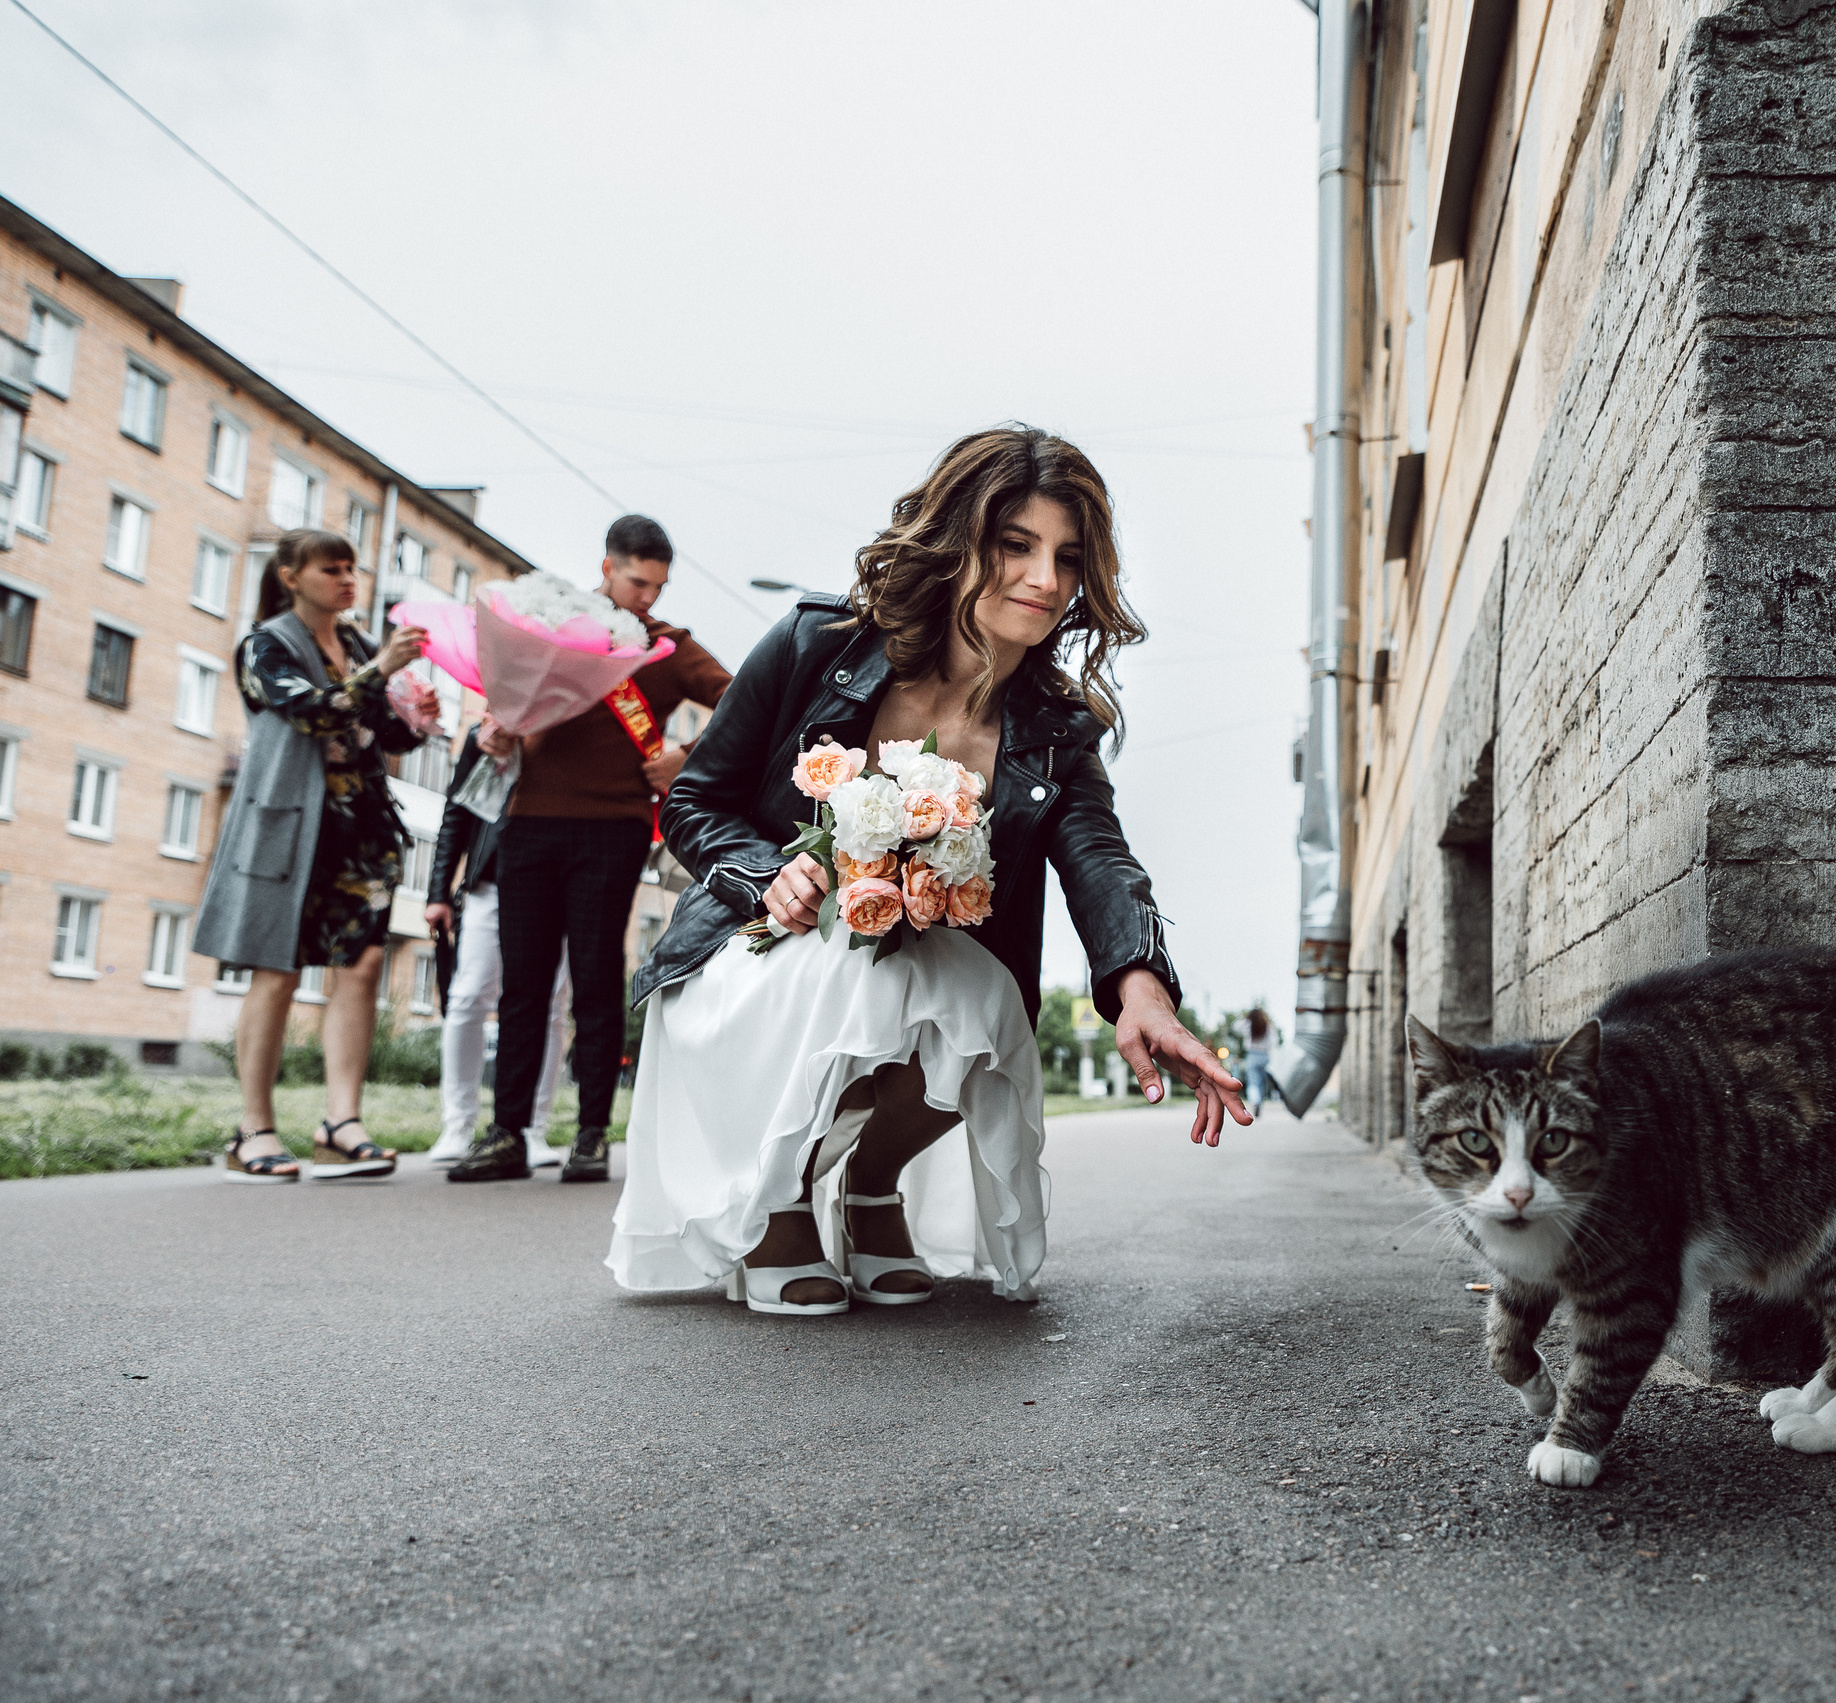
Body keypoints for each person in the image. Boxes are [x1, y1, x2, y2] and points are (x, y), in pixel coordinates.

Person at [607, 425, 1247, 1315]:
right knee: (853, 972)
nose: (1044, 581)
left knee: (987, 1004)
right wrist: (768, 875)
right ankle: (778, 1204)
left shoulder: (1056, 728)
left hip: (914, 975)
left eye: (1067, 558)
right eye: (1015, 546)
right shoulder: (813, 644)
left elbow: (1100, 856)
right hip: (753, 964)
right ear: (957, 543)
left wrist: (1142, 990)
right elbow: (693, 802)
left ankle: (870, 1186)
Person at [450, 515, 732, 1185]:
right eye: (637, 581)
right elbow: (509, 707)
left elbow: (745, 697)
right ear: (606, 567)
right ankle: (507, 1133)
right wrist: (497, 733)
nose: (647, 599)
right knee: (522, 987)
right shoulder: (544, 632)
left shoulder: (664, 647)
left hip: (613, 827)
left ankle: (591, 1136)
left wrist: (685, 757)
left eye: (658, 587)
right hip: (528, 823)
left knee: (598, 982)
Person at [193, 529, 438, 1182]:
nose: (347, 579)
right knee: (275, 969)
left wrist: (413, 719)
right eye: (332, 569)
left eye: (353, 568)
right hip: (290, 828)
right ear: (291, 575)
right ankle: (253, 1129)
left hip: (359, 830)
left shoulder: (357, 644)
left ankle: (340, 1122)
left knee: (358, 968)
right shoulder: (265, 644)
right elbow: (314, 710)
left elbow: (381, 733)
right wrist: (381, 671)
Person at [419, 728, 574, 1167]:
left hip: (555, 882)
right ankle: (458, 1126)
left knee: (549, 1005)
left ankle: (531, 1130)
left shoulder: (574, 728)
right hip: (489, 881)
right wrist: (438, 892)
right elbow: (457, 812)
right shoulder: (483, 734)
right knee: (467, 998)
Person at [1242, 1008, 1274, 1119]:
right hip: (1265, 1056)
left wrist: (1245, 1018)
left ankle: (1254, 1100)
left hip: (1252, 1054)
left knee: (1253, 1081)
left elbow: (1235, 1027)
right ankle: (1259, 1103)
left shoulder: (1248, 1025)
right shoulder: (1267, 1026)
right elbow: (1273, 1043)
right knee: (1262, 1083)